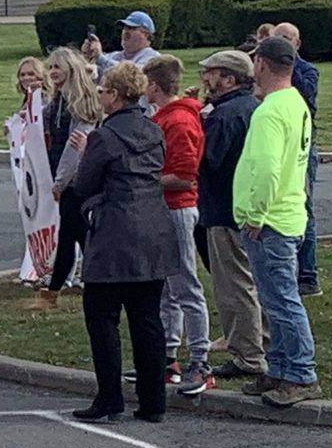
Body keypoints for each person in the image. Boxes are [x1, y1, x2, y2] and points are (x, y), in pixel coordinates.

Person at [70, 63, 177, 422]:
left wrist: (86, 157)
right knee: (147, 318)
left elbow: (85, 183)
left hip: (116, 229)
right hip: (153, 227)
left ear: (114, 96)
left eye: (102, 90)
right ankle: (153, 402)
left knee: (102, 317)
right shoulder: (153, 129)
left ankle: (110, 397)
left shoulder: (104, 136)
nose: (99, 95)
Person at [235, 33, 318, 407]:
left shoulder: (269, 110)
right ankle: (281, 367)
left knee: (282, 300)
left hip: (270, 219)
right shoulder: (295, 101)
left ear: (262, 64)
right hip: (288, 212)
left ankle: (301, 372)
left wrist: (256, 213)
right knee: (275, 299)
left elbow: (267, 168)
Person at [195, 49, 265, 381]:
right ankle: (262, 343)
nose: (205, 79)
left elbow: (207, 160)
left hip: (224, 210)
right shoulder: (251, 107)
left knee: (234, 287)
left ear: (229, 78)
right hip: (243, 207)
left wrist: (198, 126)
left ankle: (247, 355)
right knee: (252, 282)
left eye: (211, 73)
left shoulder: (224, 116)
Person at [144, 56, 210, 392]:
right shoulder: (163, 117)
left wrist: (144, 180)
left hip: (178, 208)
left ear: (154, 86)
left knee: (186, 284)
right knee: (167, 285)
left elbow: (184, 177)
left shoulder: (179, 121)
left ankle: (200, 358)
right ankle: (168, 357)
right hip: (164, 208)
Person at [30, 46, 101, 314]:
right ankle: (54, 291)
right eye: (50, 68)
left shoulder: (80, 101)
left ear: (71, 69)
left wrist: (59, 182)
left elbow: (73, 148)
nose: (52, 72)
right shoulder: (59, 100)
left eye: (57, 67)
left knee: (77, 234)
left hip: (76, 180)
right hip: (65, 176)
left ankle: (59, 291)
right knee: (71, 234)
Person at [272, 21, 323, 296]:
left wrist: (288, 67)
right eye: (277, 39)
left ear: (297, 44)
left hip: (302, 144)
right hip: (277, 141)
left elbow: (306, 101)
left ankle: (308, 274)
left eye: (286, 39)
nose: (281, 43)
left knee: (305, 206)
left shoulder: (306, 71)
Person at [96, 11, 162, 79]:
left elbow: (133, 76)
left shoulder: (153, 58)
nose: (126, 32)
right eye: (125, 28)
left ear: (146, 35)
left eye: (131, 28)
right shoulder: (113, 56)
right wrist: (87, 57)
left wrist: (100, 58)